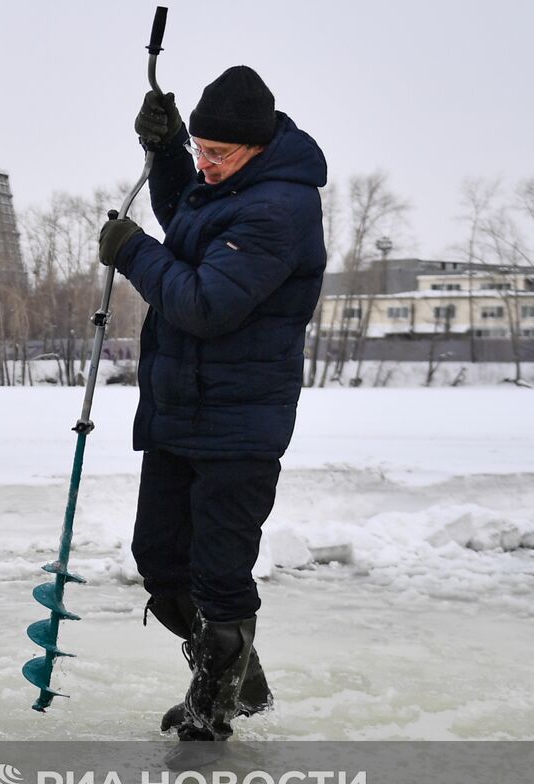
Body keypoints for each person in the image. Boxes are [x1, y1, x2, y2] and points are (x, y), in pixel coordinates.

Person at [97, 65, 327, 742]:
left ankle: (212, 710)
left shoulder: (279, 208)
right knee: (161, 563)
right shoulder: (234, 185)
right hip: (181, 410)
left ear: (257, 146)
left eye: (217, 154)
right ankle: (239, 676)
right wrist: (167, 153)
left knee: (220, 576)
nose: (207, 165)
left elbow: (206, 303)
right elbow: (189, 219)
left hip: (239, 423)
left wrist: (134, 252)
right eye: (200, 149)